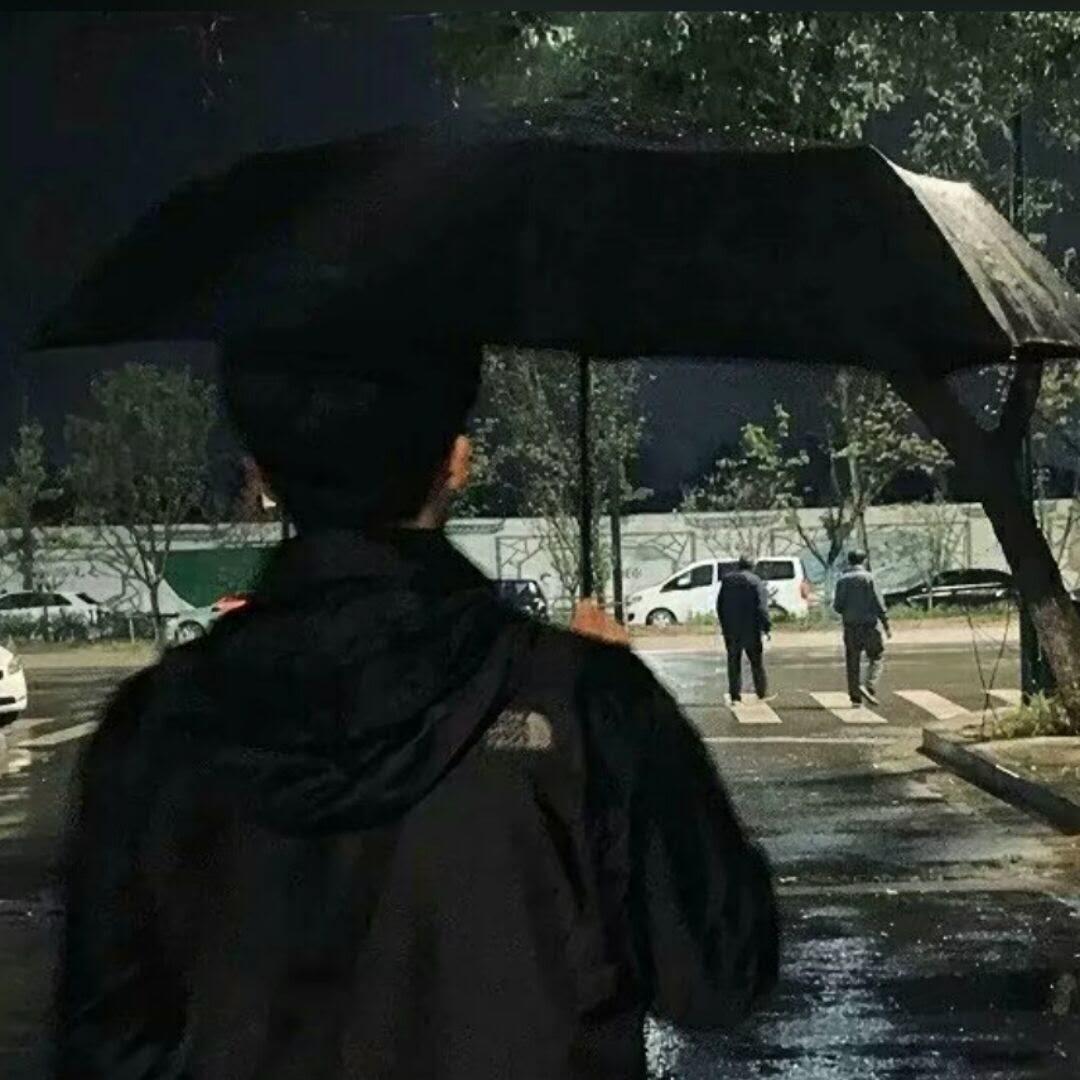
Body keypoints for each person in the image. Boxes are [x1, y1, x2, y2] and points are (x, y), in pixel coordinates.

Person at [54, 332, 778, 1080]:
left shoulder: (155, 726)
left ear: (260, 474)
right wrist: (631, 725)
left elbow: (104, 1044)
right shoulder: (579, 704)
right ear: (457, 462)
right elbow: (720, 973)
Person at [833, 549, 891, 707]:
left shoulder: (842, 580)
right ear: (864, 561)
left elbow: (837, 606)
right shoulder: (869, 578)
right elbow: (878, 603)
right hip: (870, 626)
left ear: (849, 561)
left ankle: (855, 697)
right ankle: (869, 685)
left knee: (852, 662)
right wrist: (886, 624)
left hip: (851, 627)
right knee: (876, 656)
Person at [716, 555, 773, 704]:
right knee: (756, 662)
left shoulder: (728, 581)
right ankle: (761, 692)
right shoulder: (755, 581)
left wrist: (724, 624)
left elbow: (719, 605)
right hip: (751, 628)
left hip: (731, 629)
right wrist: (766, 626)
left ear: (739, 565)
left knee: (733, 661)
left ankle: (735, 694)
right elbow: (761, 606)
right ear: (752, 566)